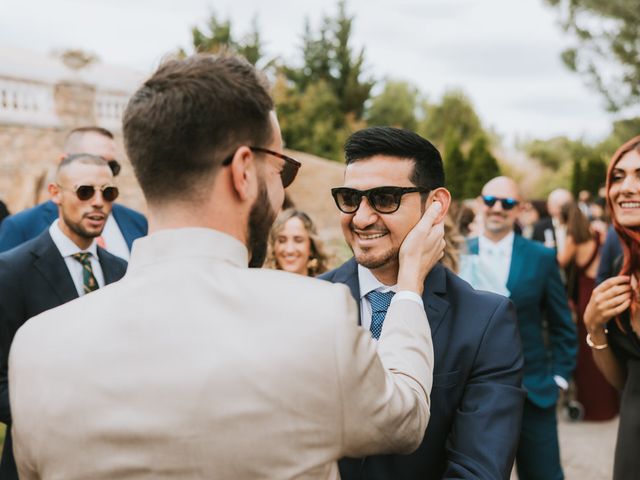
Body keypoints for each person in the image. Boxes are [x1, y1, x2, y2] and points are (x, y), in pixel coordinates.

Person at [8, 54, 444, 480]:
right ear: (243, 172)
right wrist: (408, 288)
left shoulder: (34, 347)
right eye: (281, 170)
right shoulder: (315, 317)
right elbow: (403, 420)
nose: (280, 191)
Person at [321, 127, 525, 480]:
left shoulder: (486, 322)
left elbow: (478, 470)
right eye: (350, 198)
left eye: (385, 198)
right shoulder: (309, 301)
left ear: (436, 205)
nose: (361, 217)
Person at [0, 154, 127, 480]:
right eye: (85, 192)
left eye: (108, 193)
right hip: (40, 459)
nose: (98, 203)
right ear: (56, 193)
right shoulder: (11, 271)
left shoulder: (122, 270)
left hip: (116, 457)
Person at [466, 176, 576, 480]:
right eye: (490, 201)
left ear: (519, 209)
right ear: (480, 204)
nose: (497, 208)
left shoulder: (541, 257)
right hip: (472, 395)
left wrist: (560, 378)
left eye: (507, 203)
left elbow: (562, 324)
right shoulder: (458, 253)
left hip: (534, 392)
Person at [583, 135, 640, 479]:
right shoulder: (621, 261)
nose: (626, 188)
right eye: (618, 177)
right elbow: (625, 381)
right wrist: (594, 327)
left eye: (639, 175)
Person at [0, 127, 147, 259]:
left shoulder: (137, 222)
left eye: (112, 166)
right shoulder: (21, 227)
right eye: (93, 161)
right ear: (64, 161)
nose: (104, 170)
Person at [556, 201, 618, 421]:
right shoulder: (594, 233)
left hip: (585, 291)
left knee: (587, 349)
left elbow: (559, 262)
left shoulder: (574, 237)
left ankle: (594, 406)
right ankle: (610, 404)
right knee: (602, 344)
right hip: (599, 286)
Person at [265, 208, 330, 276]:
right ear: (273, 247)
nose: (289, 250)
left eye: (298, 240)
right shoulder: (260, 284)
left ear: (311, 247)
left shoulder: (326, 285)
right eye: (282, 241)